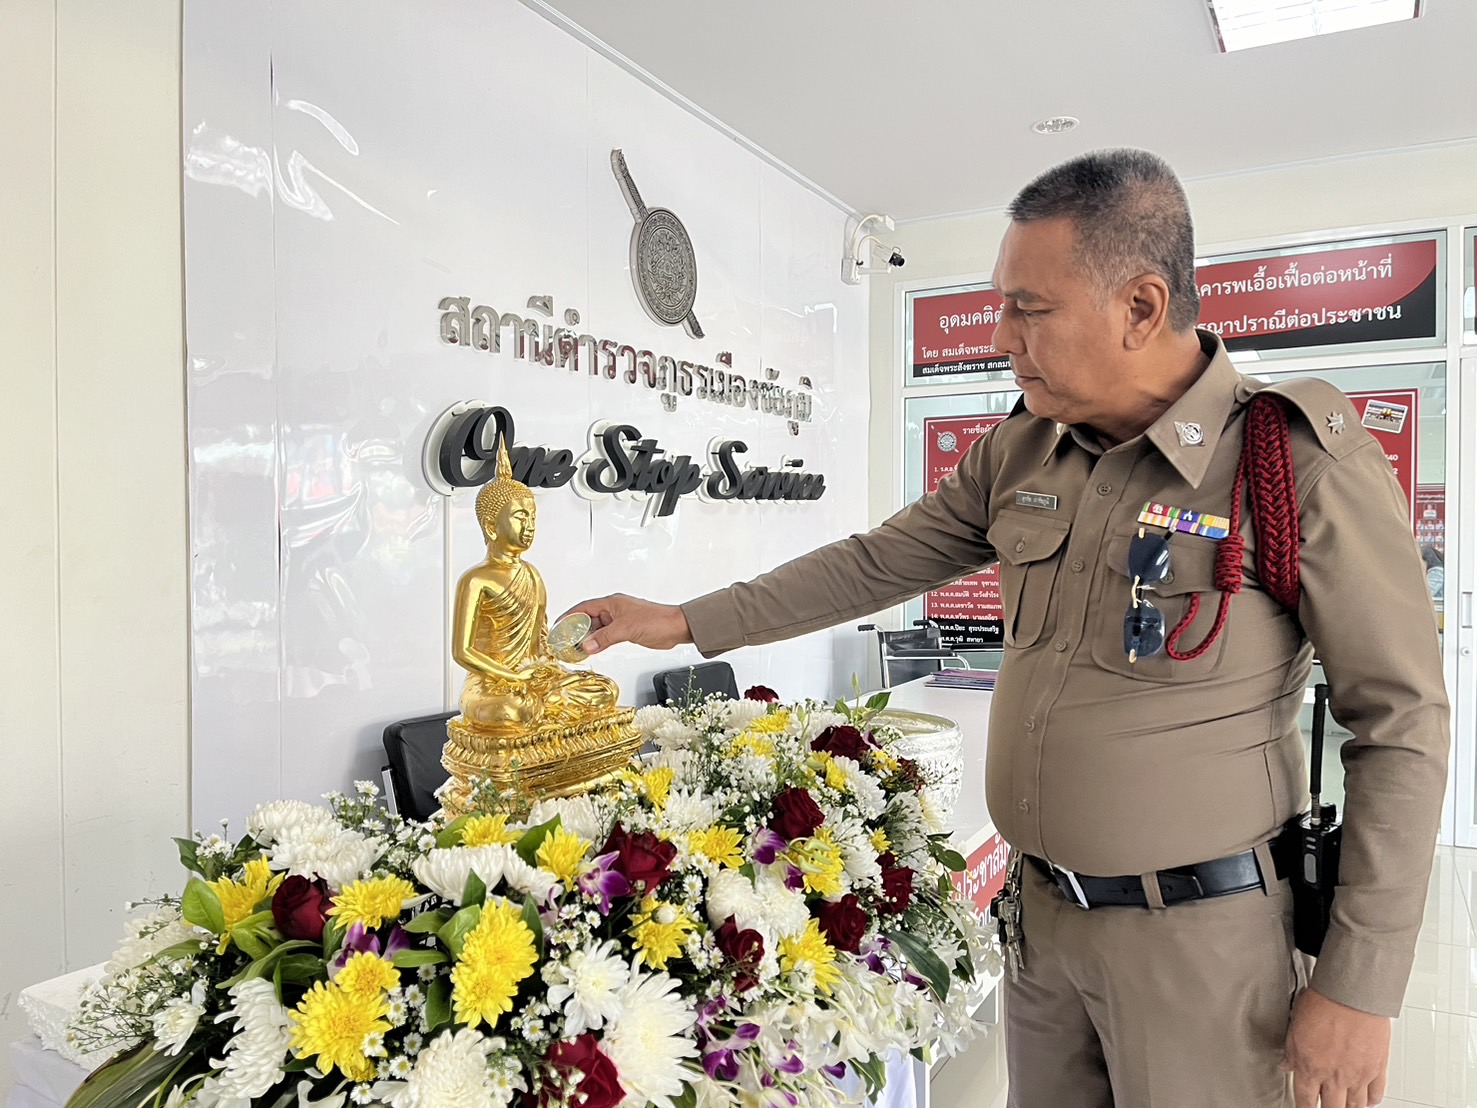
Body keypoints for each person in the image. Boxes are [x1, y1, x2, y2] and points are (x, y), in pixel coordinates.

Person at [567, 149, 1449, 1108]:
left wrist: (1358, 985)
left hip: (1201, 945)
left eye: (1029, 309)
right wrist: (685, 620)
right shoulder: (1023, 451)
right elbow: (873, 563)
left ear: (1140, 307)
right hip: (1041, 926)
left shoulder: (1288, 463)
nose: (1000, 337)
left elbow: (1399, 722)